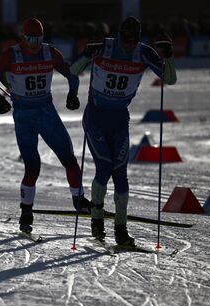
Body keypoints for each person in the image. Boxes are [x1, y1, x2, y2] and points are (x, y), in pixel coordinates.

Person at [69, 16, 177, 246]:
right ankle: (97, 220)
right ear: (119, 37)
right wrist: (88, 53)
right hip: (95, 118)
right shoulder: (105, 47)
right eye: (126, 40)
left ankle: (121, 230)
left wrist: (168, 56)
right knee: (105, 166)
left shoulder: (143, 52)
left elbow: (170, 79)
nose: (129, 45)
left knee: (120, 174)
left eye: (134, 40)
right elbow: (73, 69)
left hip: (119, 121)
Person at [0, 17, 91, 233]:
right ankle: (26, 211)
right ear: (23, 37)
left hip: (46, 112)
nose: (34, 43)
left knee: (69, 159)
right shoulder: (11, 54)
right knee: (33, 166)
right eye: (30, 38)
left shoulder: (50, 52)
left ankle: (78, 199)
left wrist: (72, 94)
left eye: (38, 38)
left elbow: (72, 75)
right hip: (24, 116)